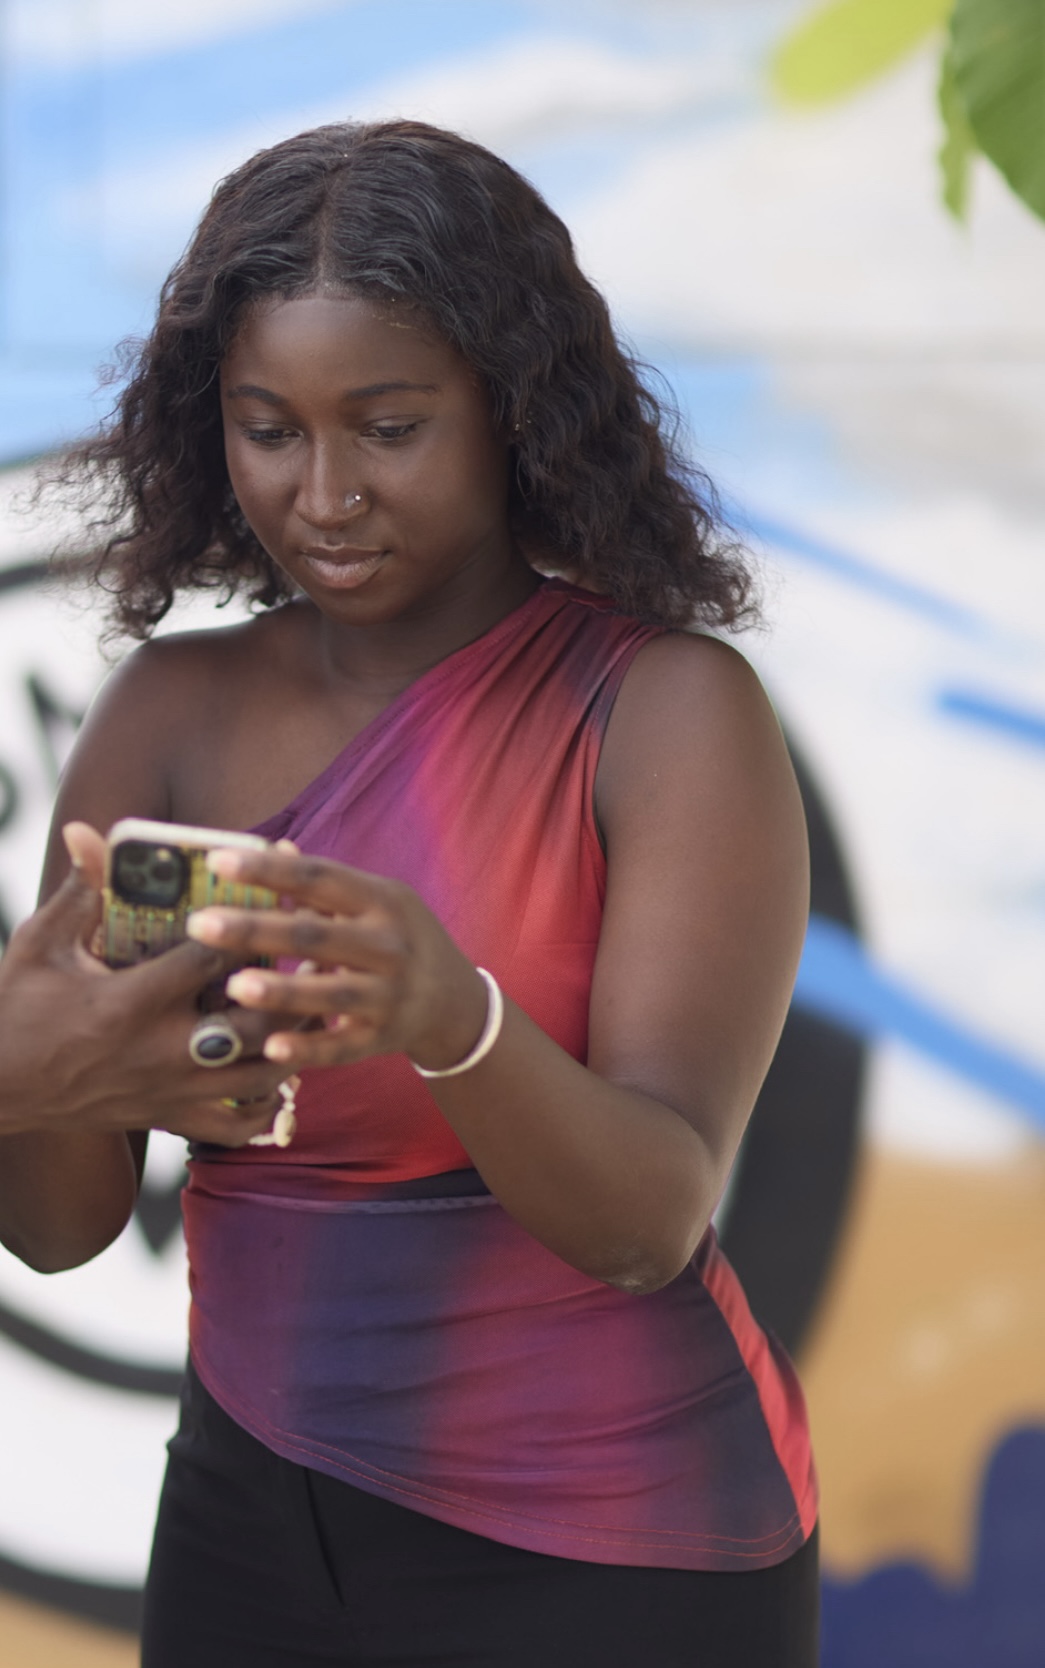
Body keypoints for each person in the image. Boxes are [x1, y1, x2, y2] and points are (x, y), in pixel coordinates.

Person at [0, 121, 817, 1665]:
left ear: (510, 409)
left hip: (617, 1544)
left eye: (387, 427)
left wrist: (449, 1012)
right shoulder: (169, 719)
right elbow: (62, 1231)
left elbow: (650, 1219)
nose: (322, 495)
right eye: (267, 427)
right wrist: (28, 1068)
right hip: (250, 1524)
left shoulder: (659, 713)